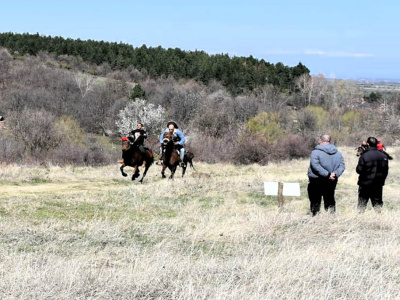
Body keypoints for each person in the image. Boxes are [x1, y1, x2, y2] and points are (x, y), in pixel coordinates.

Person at [307, 134, 345, 216]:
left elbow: (315, 166)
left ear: (320, 141)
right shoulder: (338, 153)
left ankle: (315, 219)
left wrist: (328, 175)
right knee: (330, 199)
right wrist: (334, 174)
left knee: (315, 201)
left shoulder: (315, 152)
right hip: (331, 180)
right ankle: (331, 218)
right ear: (330, 141)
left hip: (317, 180)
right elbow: (342, 166)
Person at [356, 136, 389, 213]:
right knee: (378, 206)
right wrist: (381, 181)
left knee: (361, 205)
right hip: (378, 184)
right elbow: (385, 171)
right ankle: (379, 221)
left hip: (365, 184)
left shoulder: (364, 156)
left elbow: (359, 170)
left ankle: (358, 220)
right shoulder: (383, 156)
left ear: (368, 144)